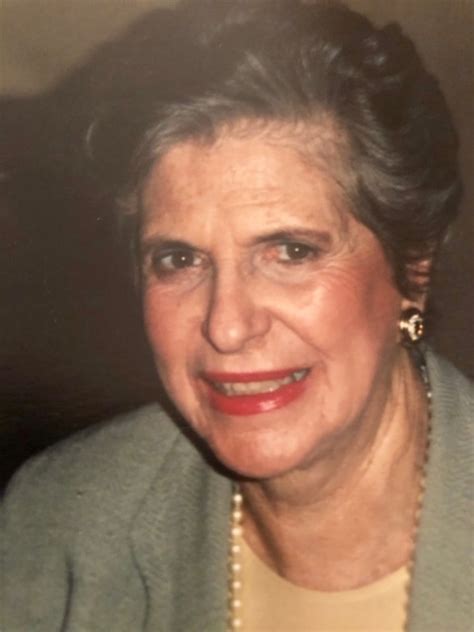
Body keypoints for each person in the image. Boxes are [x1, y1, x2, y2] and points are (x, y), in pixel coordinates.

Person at [1, 1, 472, 630]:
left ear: (412, 270)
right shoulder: (57, 524)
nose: (226, 326)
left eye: (291, 252)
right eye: (179, 260)